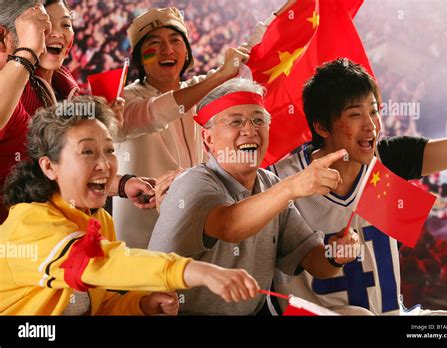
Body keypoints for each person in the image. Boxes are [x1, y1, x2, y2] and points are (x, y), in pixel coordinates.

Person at [0, 96, 259, 315]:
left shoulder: (99, 220)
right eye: (88, 152)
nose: (105, 164)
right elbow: (99, 264)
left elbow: (100, 303)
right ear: (49, 166)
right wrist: (198, 271)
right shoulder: (28, 222)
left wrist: (140, 304)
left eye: (109, 150)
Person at [269, 58, 447, 315]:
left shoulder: (387, 159)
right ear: (321, 126)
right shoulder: (280, 181)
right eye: (355, 114)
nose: (371, 125)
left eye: (374, 111)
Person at [148, 78, 361, 315]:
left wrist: (337, 254)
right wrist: (293, 186)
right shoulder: (193, 182)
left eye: (258, 120)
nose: (250, 130)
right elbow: (230, 225)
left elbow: (315, 261)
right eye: (236, 121)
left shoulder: (269, 184)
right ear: (208, 139)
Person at [114, 2, 295, 248]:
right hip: (141, 245)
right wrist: (220, 75)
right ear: (139, 58)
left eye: (175, 41)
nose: (166, 50)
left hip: (197, 234)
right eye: (153, 44)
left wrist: (284, 13)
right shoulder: (123, 101)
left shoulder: (203, 88)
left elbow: (250, 54)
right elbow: (155, 113)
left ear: (187, 53)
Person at [0, 0, 158, 223]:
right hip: (15, 235)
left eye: (65, 24)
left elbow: (64, 168)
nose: (55, 33)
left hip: (59, 228)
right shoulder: (12, 87)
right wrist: (27, 52)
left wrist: (122, 183)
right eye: (42, 25)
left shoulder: (65, 86)